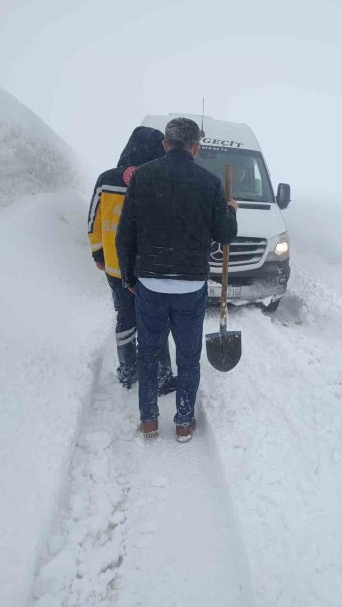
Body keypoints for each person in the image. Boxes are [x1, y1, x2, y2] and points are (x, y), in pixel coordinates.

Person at [116, 117, 238, 442]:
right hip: (190, 286)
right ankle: (184, 422)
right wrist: (230, 211)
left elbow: (124, 234)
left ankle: (149, 421)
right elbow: (225, 234)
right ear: (196, 147)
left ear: (164, 144)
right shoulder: (210, 183)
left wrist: (129, 276)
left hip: (150, 284)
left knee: (147, 352)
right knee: (188, 356)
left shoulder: (143, 177)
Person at [87, 126, 176, 393]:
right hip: (149, 268)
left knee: (125, 315)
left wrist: (98, 252)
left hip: (115, 267)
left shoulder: (106, 179)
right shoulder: (160, 179)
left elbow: (94, 219)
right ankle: (161, 376)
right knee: (156, 319)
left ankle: (128, 370)